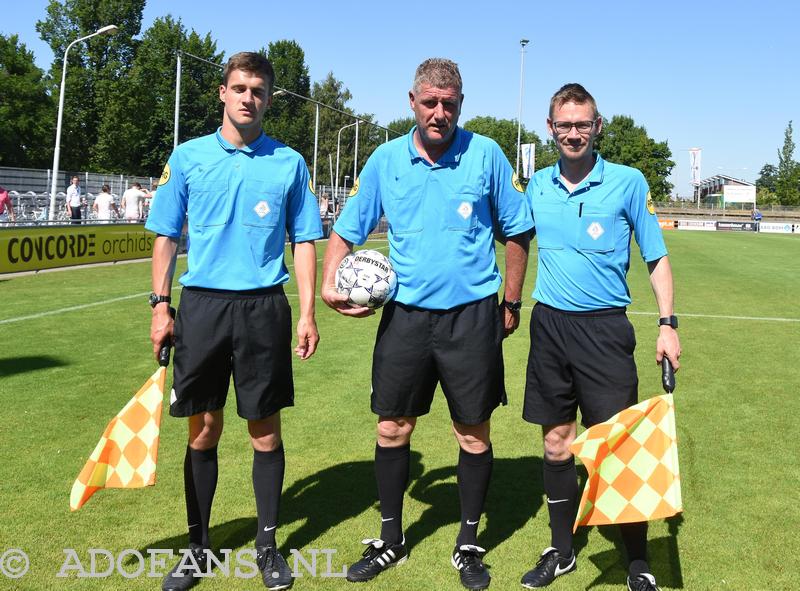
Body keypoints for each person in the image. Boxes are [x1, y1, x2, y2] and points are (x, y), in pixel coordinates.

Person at [321, 58, 532, 591]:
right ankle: (391, 538)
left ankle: (468, 543)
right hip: (406, 317)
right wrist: (329, 282)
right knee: (393, 427)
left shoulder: (485, 154)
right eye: (430, 102)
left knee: (473, 432)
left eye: (450, 103)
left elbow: (518, 231)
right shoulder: (385, 160)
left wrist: (510, 303)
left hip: (472, 318)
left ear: (461, 103)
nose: (440, 113)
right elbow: (347, 230)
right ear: (411, 101)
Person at [146, 51, 323, 591]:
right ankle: (198, 550)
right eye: (240, 88)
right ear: (223, 93)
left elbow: (306, 241)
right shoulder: (189, 157)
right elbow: (166, 235)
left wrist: (308, 312)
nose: (249, 97)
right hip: (200, 306)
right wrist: (160, 305)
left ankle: (267, 546)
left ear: (269, 99)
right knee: (203, 430)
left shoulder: (288, 162)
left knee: (264, 431)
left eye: (259, 91)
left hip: (264, 308)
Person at [519, 83, 681, 591]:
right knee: (555, 441)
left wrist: (667, 325)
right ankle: (561, 550)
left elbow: (656, 258)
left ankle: (637, 560)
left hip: (605, 330)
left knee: (619, 447)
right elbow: (511, 240)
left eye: (582, 124)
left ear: (597, 127)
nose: (573, 133)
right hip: (549, 326)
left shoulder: (628, 182)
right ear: (550, 129)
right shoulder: (536, 186)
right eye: (564, 124)